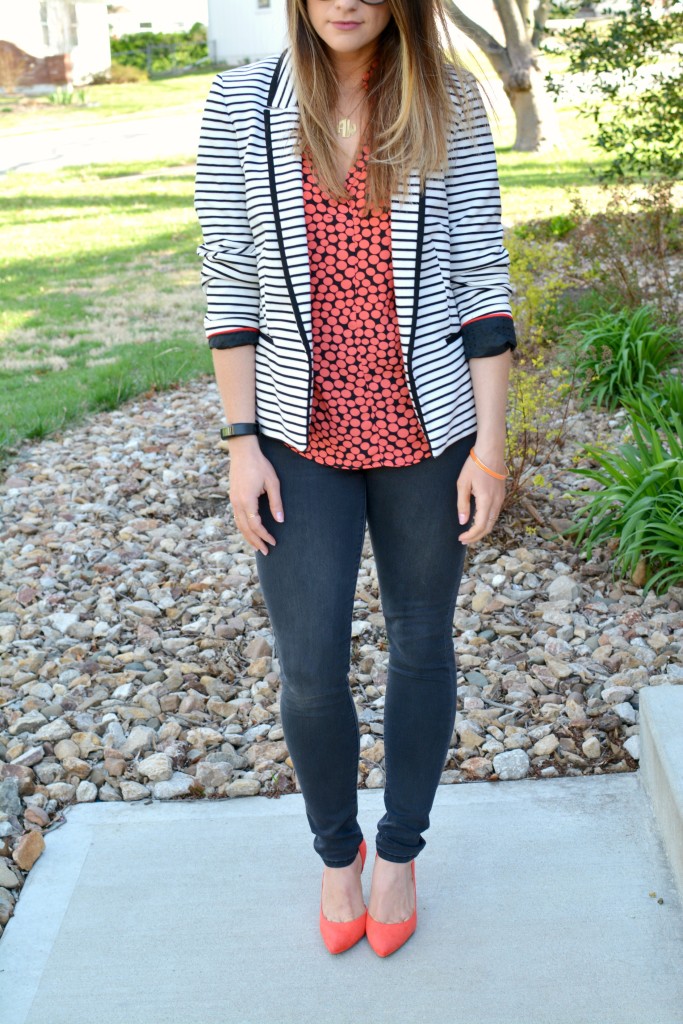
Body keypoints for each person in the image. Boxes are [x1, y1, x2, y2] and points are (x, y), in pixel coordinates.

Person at [194, 0, 517, 958]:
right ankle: (337, 856)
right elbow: (230, 279)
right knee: (309, 662)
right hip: (298, 434)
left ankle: (399, 852)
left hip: (430, 433)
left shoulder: (446, 99)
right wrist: (240, 441)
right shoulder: (239, 105)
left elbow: (480, 277)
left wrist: (490, 450)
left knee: (423, 642)